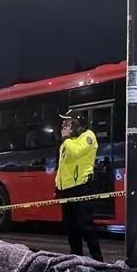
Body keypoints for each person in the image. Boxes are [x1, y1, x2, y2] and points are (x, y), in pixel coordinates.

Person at [55, 109, 103, 261]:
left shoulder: (88, 136)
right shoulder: (66, 142)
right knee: (71, 230)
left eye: (67, 122)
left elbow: (76, 152)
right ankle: (76, 261)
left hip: (81, 188)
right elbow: (62, 166)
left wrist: (66, 139)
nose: (63, 125)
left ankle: (97, 260)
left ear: (76, 123)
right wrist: (58, 186)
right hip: (66, 190)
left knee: (86, 228)